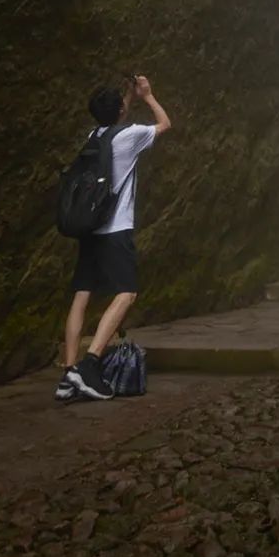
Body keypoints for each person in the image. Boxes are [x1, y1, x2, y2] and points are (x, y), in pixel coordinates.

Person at [55, 73, 171, 403]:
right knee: (126, 294)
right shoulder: (131, 136)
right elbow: (164, 124)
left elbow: (115, 117)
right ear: (121, 109)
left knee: (82, 295)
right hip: (115, 230)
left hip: (90, 230)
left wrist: (127, 98)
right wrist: (147, 96)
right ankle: (89, 366)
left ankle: (68, 371)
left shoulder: (94, 135)